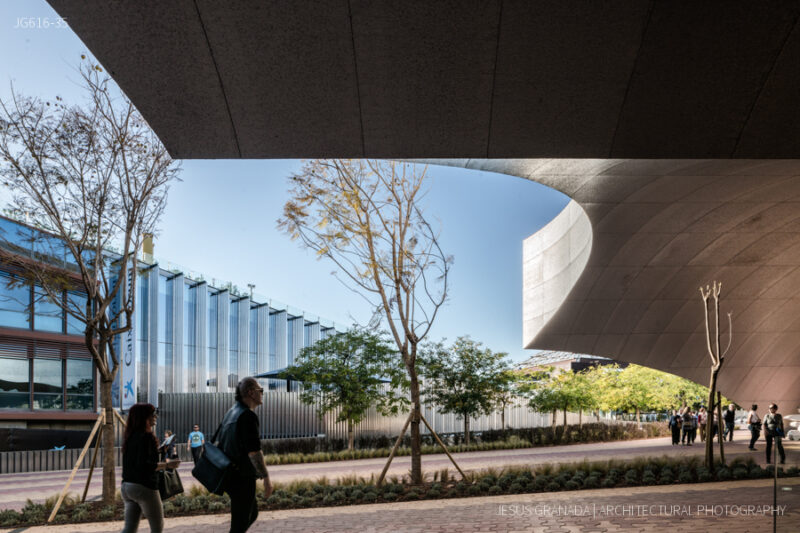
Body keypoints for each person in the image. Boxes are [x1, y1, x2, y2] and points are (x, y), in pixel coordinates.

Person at [218, 377, 273, 532]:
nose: (262, 394)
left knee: (252, 513)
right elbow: (254, 452)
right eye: (260, 390)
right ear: (251, 392)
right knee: (239, 524)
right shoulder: (247, 416)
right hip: (241, 476)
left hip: (231, 474)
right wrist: (266, 479)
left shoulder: (232, 412)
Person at [121, 403, 180, 533]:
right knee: (157, 527)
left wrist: (159, 451)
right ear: (144, 417)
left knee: (129, 528)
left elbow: (138, 460)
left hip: (127, 487)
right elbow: (146, 466)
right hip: (144, 487)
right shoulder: (147, 437)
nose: (156, 416)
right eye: (153, 414)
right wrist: (168, 465)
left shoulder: (130, 436)